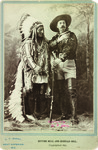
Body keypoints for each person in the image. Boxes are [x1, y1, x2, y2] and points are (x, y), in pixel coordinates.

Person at [5, 14, 50, 123]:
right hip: (29, 70)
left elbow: (47, 57)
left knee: (41, 91)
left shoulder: (44, 44)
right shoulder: (28, 43)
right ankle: (29, 113)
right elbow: (27, 57)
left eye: (43, 30)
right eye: (39, 29)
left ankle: (40, 113)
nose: (41, 32)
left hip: (42, 71)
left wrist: (45, 69)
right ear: (34, 31)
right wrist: (35, 67)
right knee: (30, 91)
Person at [49, 14, 79, 124]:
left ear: (66, 25)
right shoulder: (56, 38)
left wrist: (60, 58)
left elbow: (70, 48)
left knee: (72, 91)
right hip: (58, 67)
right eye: (60, 23)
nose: (62, 24)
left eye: (64, 23)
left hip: (69, 64)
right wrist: (58, 41)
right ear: (57, 26)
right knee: (61, 91)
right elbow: (49, 46)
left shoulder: (71, 36)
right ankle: (64, 114)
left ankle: (74, 117)